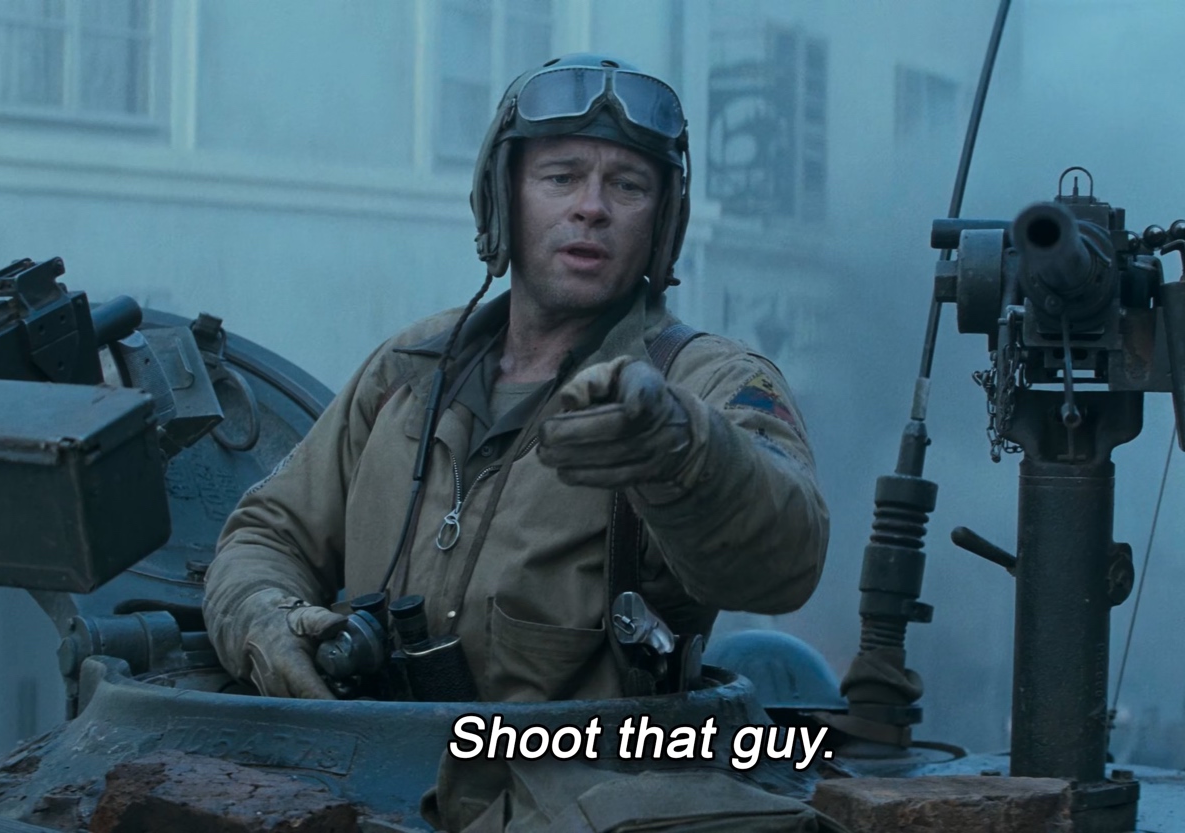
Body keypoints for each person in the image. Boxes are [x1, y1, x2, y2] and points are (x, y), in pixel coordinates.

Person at [200, 52, 828, 706]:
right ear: (502, 198)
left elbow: (786, 560)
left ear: (663, 221)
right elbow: (267, 533)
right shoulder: (409, 370)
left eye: (628, 186)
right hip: (372, 760)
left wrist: (684, 449)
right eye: (561, 177)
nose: (592, 207)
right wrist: (260, 613)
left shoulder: (707, 381)